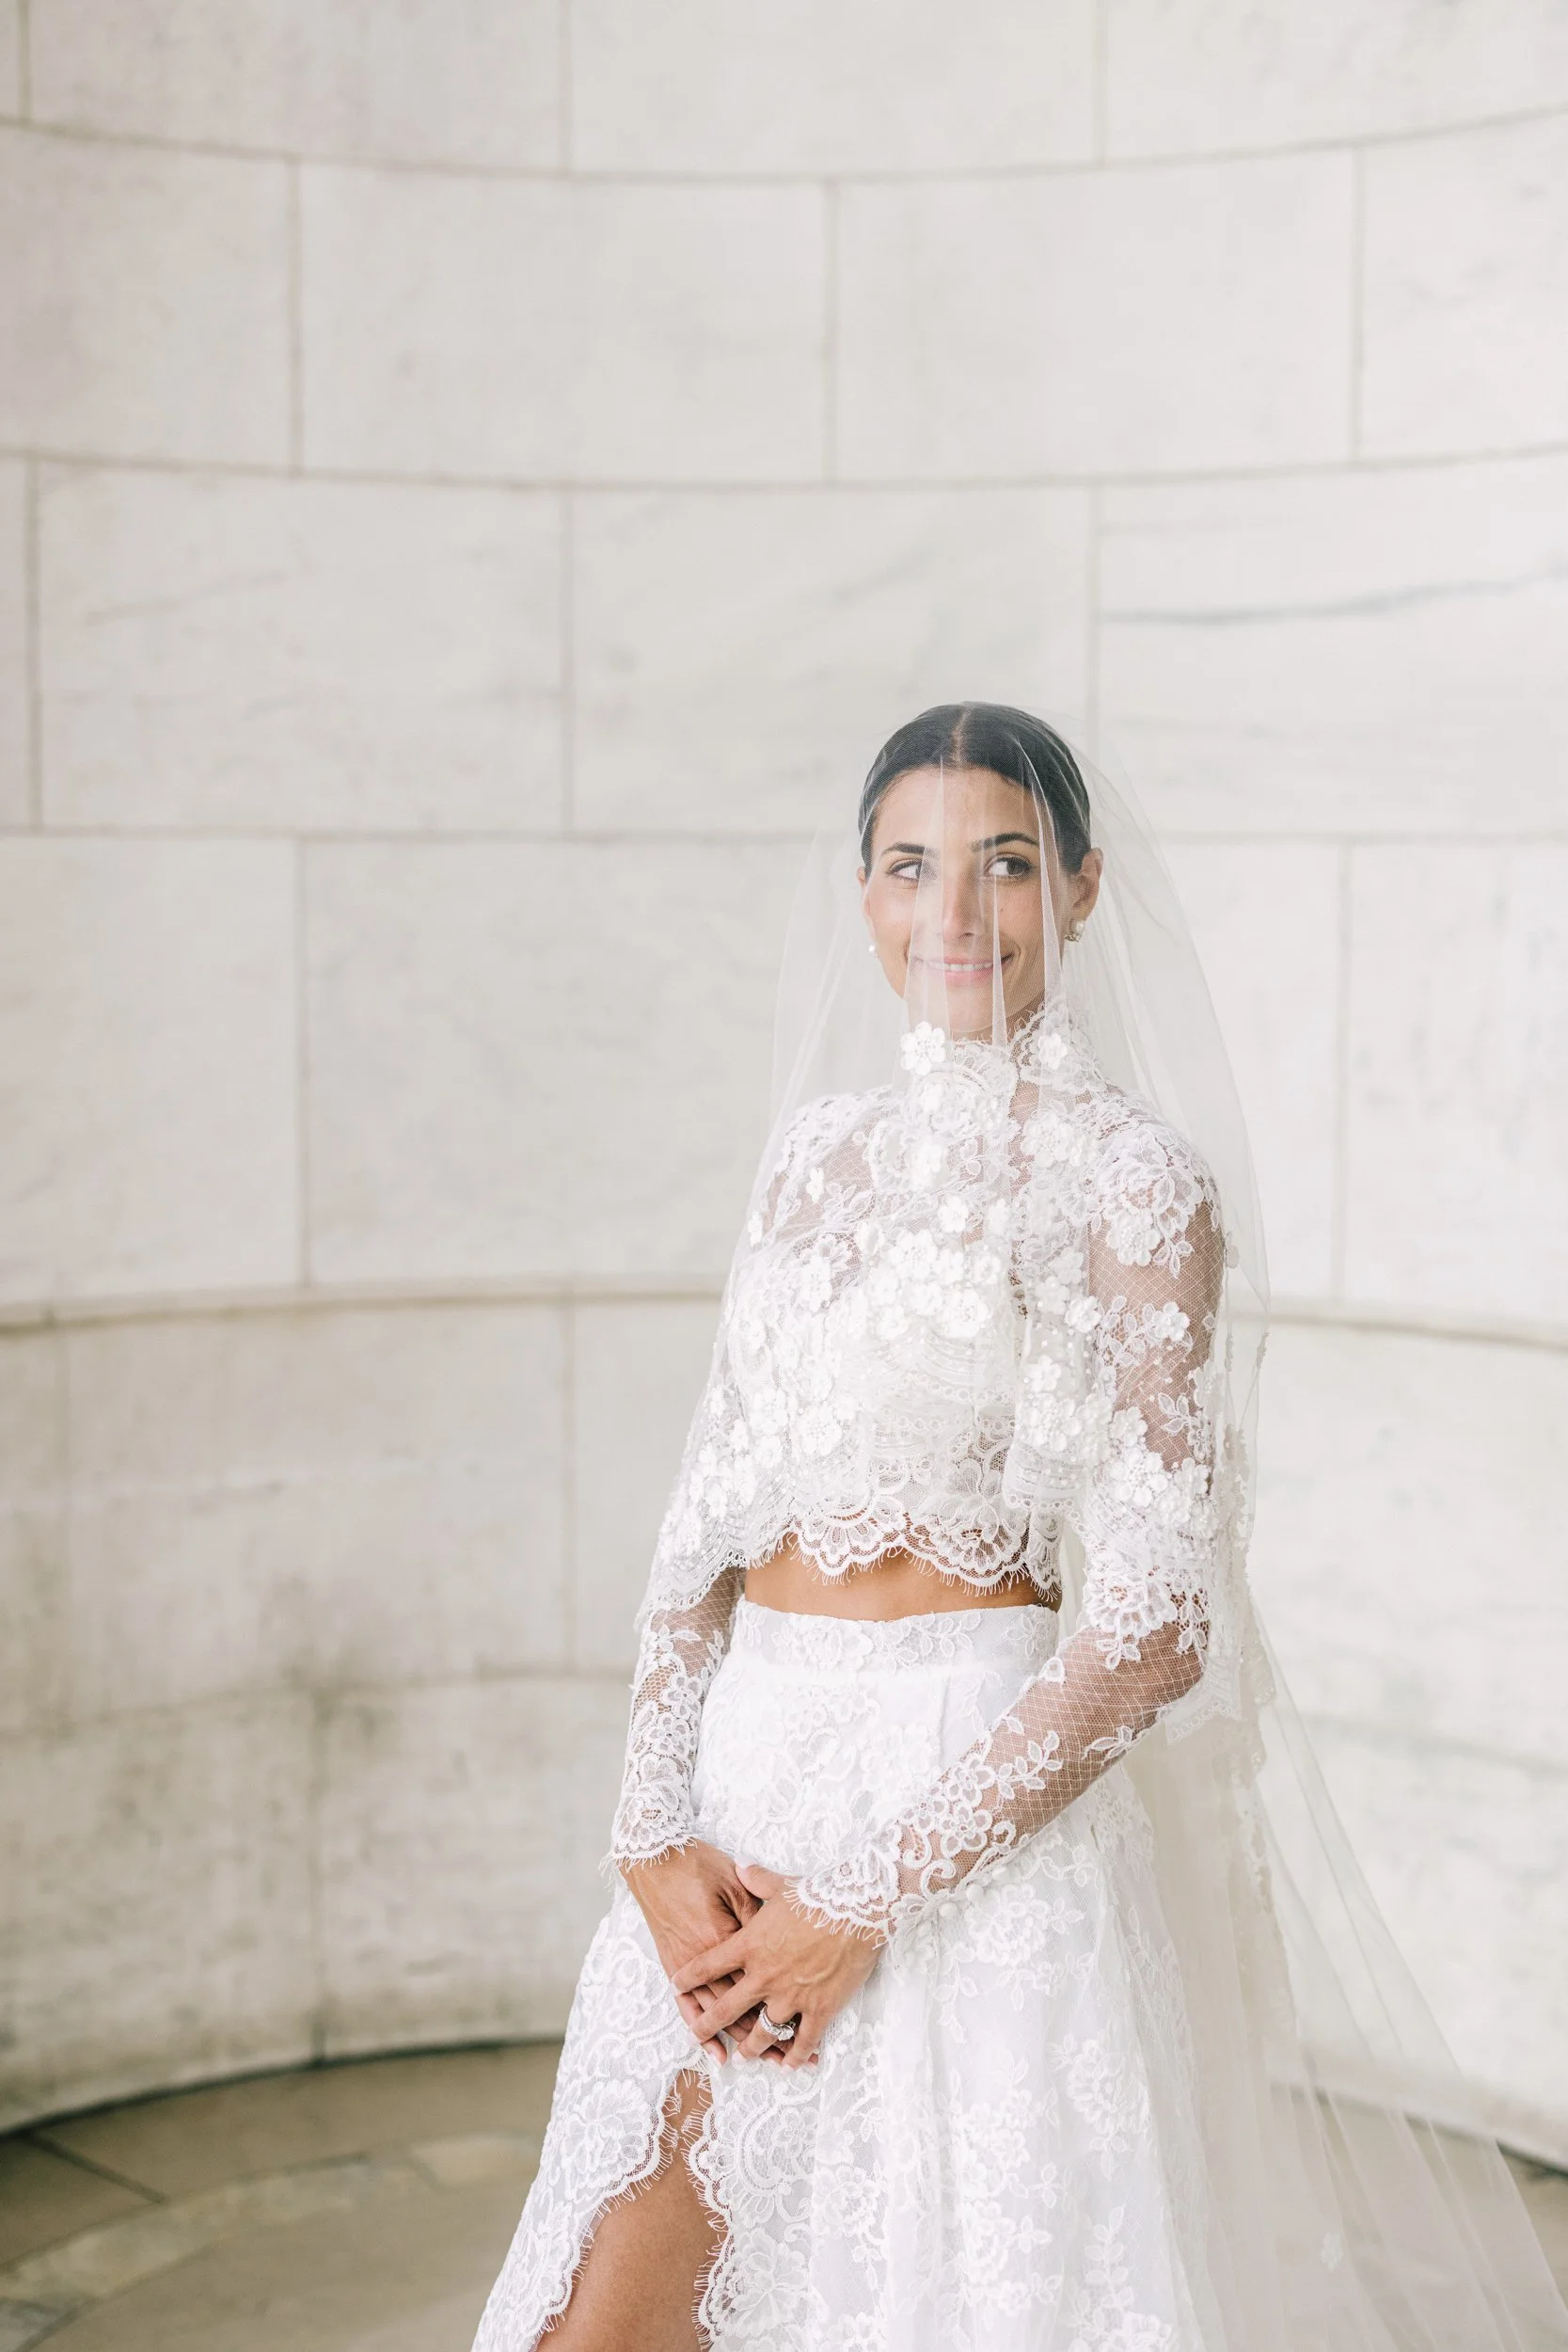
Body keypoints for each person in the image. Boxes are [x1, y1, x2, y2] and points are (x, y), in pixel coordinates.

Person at [473, 706, 1568, 2351]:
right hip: (743, 1794)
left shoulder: (1135, 1183)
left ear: (1081, 888)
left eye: (1006, 863)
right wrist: (644, 1824)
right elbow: (699, 1519)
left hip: (959, 1819)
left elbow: (1150, 1628)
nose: (957, 912)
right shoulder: (808, 1159)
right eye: (912, 866)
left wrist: (866, 1901)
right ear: (864, 897)